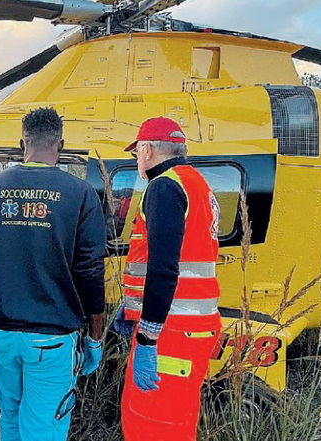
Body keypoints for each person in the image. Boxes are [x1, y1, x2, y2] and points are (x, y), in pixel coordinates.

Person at [0, 107, 106, 441]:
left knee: (12, 419)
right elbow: (89, 269)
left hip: (3, 331)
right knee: (42, 428)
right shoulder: (80, 193)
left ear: (21, 143)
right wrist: (95, 335)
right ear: (60, 144)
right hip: (52, 336)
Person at [116, 117, 221, 441]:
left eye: (137, 154)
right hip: (190, 329)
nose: (137, 161)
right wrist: (133, 308)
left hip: (171, 333)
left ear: (146, 150)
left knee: (152, 424)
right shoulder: (197, 184)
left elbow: (164, 268)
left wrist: (147, 337)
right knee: (178, 420)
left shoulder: (164, 186)